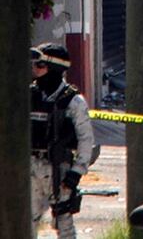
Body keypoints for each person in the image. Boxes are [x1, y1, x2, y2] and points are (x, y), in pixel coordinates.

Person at [31, 43, 95, 239]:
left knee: (64, 223)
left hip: (59, 170)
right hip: (31, 168)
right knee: (24, 222)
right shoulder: (27, 95)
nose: (34, 70)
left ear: (54, 69)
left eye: (40, 66)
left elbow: (86, 139)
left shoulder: (73, 101)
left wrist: (76, 172)